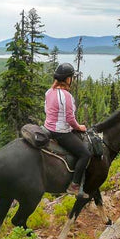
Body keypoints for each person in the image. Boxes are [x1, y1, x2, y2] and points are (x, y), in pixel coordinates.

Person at [44, 63, 91, 197]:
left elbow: (46, 110)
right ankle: (74, 185)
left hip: (47, 128)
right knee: (85, 154)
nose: (72, 79)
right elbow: (70, 119)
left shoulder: (49, 92)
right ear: (67, 79)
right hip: (60, 133)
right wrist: (79, 127)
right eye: (71, 77)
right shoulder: (66, 96)